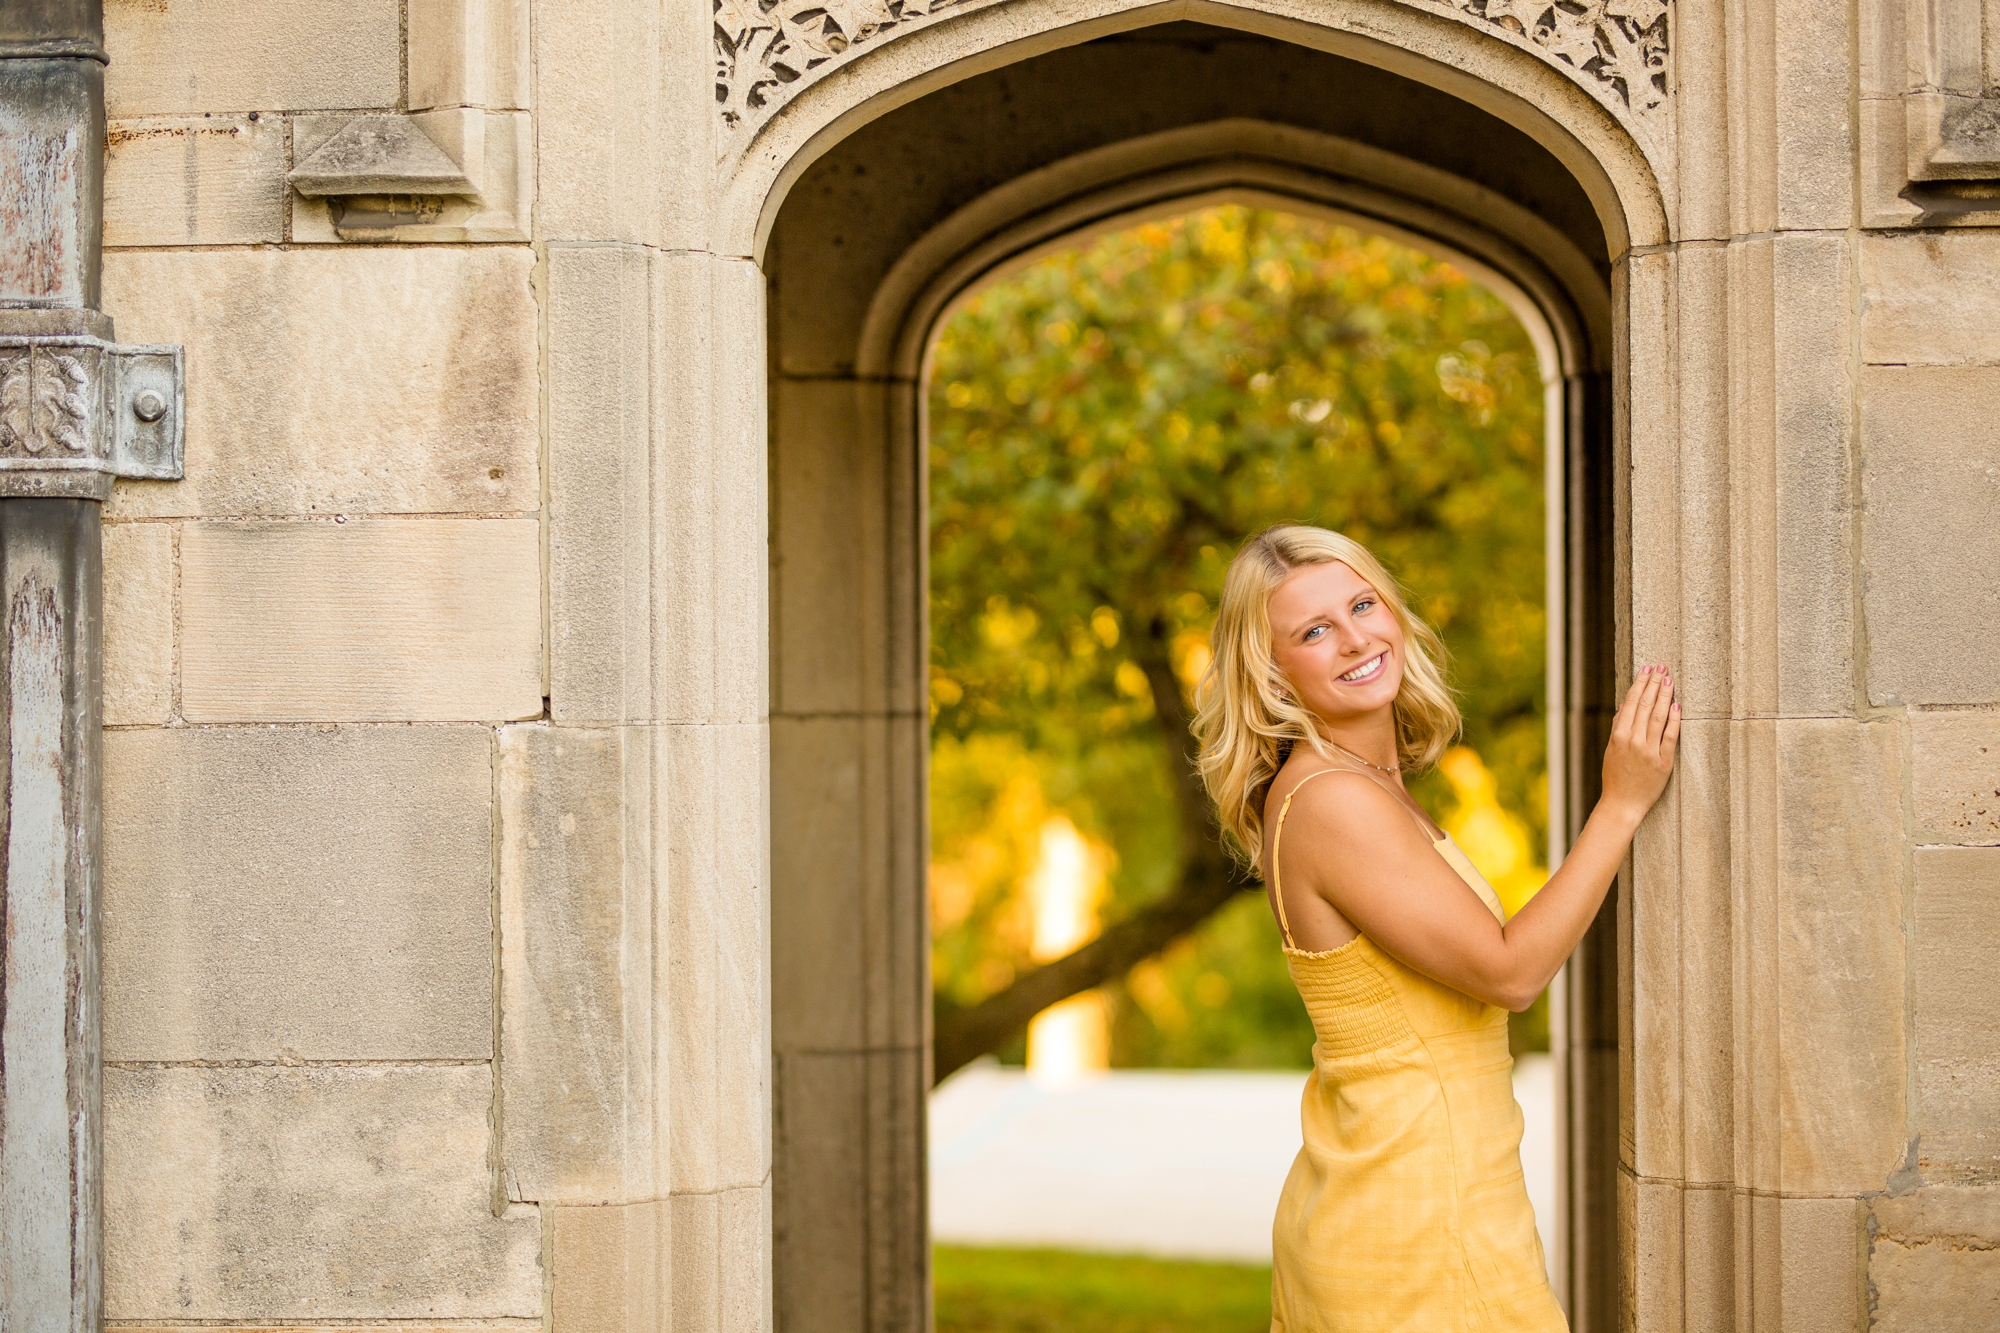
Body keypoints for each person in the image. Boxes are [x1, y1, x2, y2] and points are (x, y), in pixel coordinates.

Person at [1192, 524, 1679, 1333]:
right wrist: (1620, 804)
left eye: (1362, 603)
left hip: (1422, 1204)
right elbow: (1509, 971)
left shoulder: (1362, 783)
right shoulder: (1332, 801)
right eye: (1315, 630)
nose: (1355, 638)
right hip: (1416, 1231)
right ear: (1272, 670)